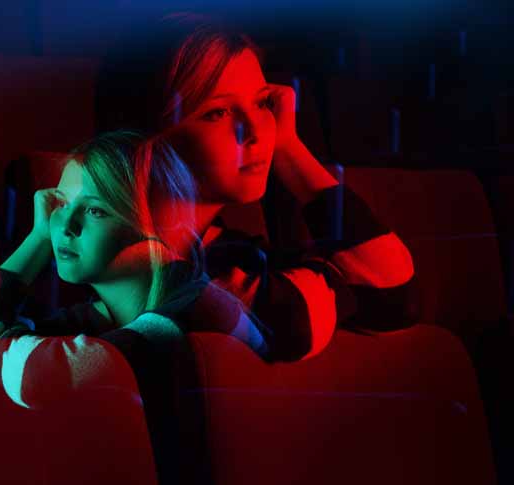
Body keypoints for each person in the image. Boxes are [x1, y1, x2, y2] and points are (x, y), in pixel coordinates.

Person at [0, 130, 263, 485]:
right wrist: (38, 237)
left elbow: (38, 377)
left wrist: (1, 346)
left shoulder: (200, 307)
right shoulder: (101, 318)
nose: (66, 225)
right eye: (60, 204)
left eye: (94, 210)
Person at [95, 13, 420, 362]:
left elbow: (398, 298)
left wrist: (289, 148)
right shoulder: (105, 253)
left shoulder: (227, 252)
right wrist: (333, 277)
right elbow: (290, 322)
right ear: (141, 138)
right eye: (217, 113)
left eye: (262, 103)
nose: (256, 130)